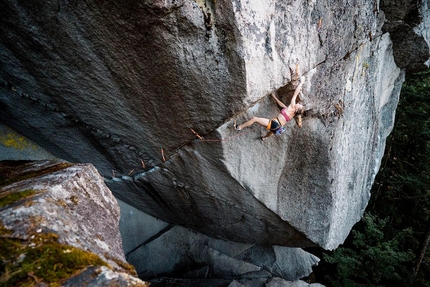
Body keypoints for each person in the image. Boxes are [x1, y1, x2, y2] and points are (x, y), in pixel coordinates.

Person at [235, 80, 305, 140]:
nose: (298, 103)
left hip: (274, 124)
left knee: (254, 119)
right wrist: (274, 97)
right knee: (271, 131)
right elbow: (282, 105)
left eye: (299, 105)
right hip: (279, 128)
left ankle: (239, 127)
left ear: (296, 108)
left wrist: (301, 82)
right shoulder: (293, 113)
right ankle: (264, 137)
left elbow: (296, 93)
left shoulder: (292, 106)